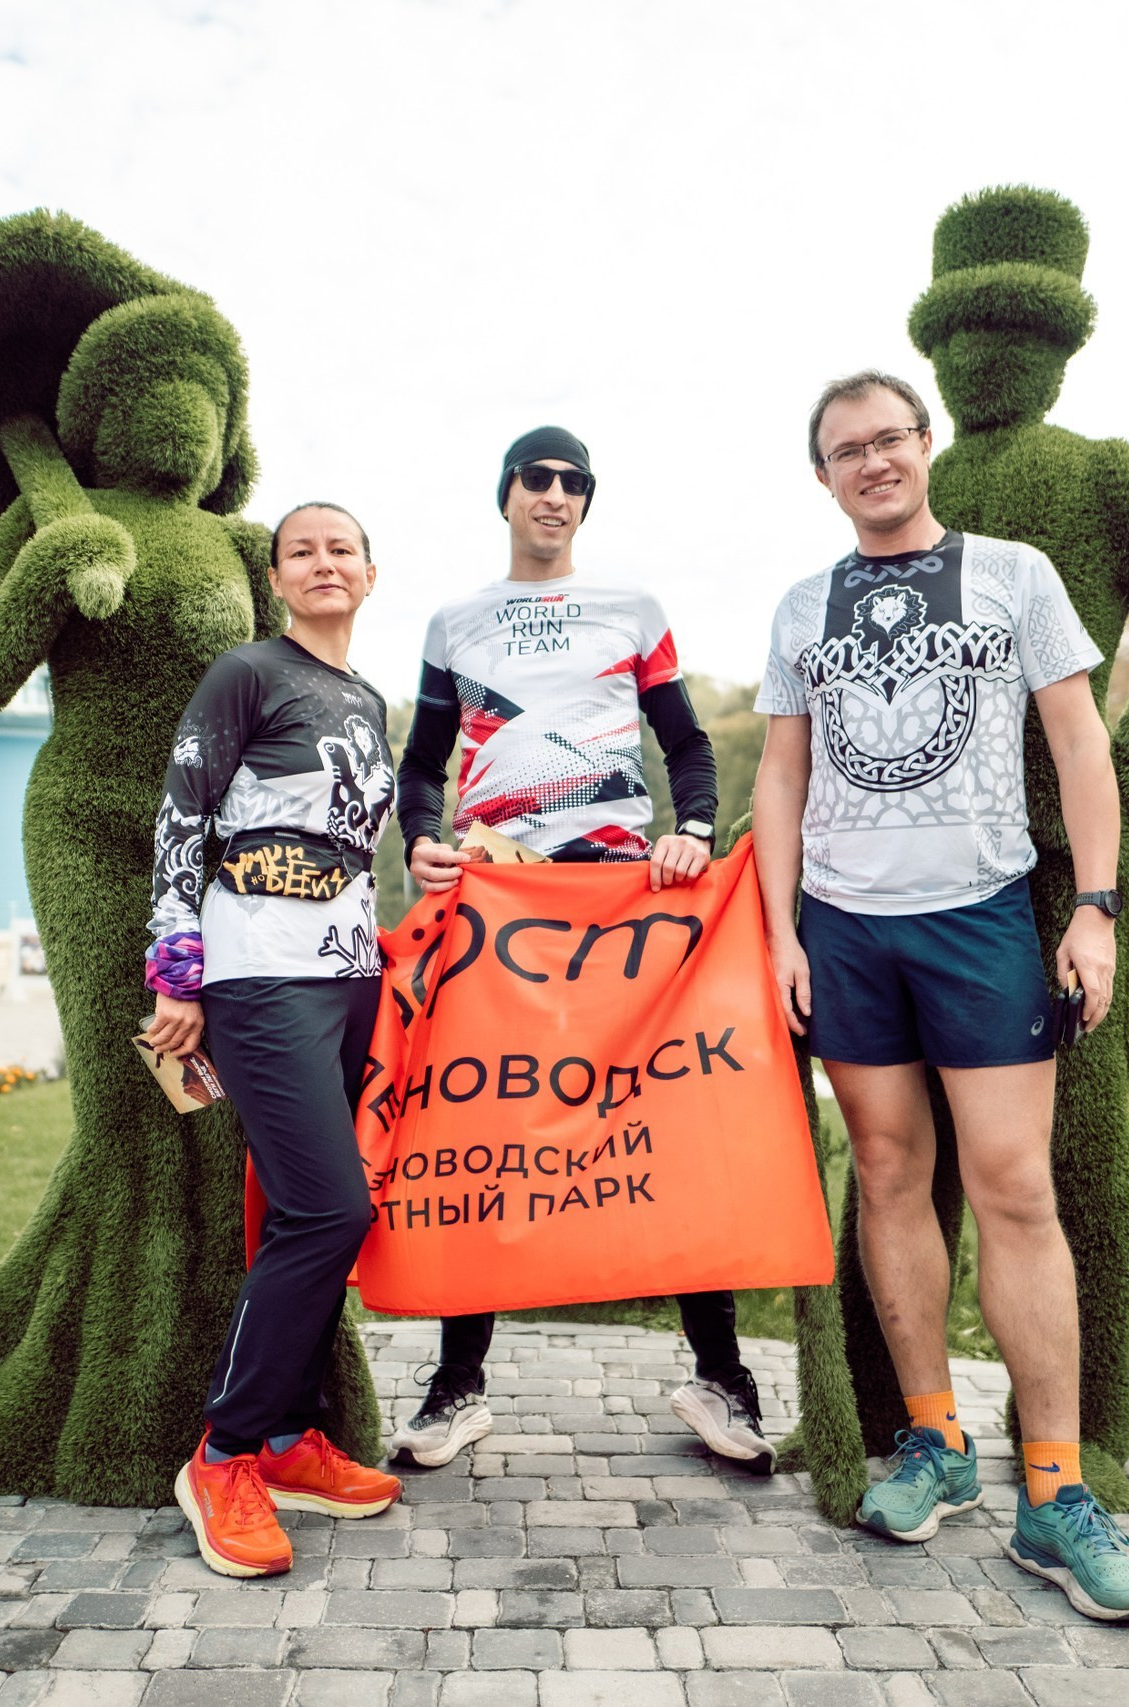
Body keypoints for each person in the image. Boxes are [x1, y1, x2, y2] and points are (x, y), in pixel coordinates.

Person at [751, 370, 1129, 1622]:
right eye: (844, 450)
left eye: (888, 439)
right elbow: (780, 773)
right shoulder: (801, 603)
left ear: (924, 447)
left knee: (1016, 1187)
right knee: (884, 1173)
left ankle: (1059, 1493)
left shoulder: (1014, 574)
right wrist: (780, 934)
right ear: (820, 476)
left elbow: (1079, 740)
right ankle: (934, 1442)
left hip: (982, 913)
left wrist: (1092, 907)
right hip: (847, 928)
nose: (871, 462)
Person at [388, 426, 764, 1472]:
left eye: (574, 484)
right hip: (500, 903)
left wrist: (692, 825)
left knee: (671, 1118)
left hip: (617, 898)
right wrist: (422, 839)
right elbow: (419, 768)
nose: (555, 495)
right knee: (486, 1123)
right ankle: (457, 1387)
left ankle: (721, 1375)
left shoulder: (632, 611)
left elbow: (686, 745)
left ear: (585, 505)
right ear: (505, 493)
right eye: (537, 478)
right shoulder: (454, 622)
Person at [143, 502, 404, 1578]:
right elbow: (183, 813)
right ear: (277, 578)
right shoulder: (245, 672)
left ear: (370, 574)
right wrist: (175, 966)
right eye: (303, 551)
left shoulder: (365, 698)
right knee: (328, 1208)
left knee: (294, 1213)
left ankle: (294, 1437)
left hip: (348, 977)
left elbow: (358, 844)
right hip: (257, 970)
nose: (324, 562)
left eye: (342, 548)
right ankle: (225, 1454)